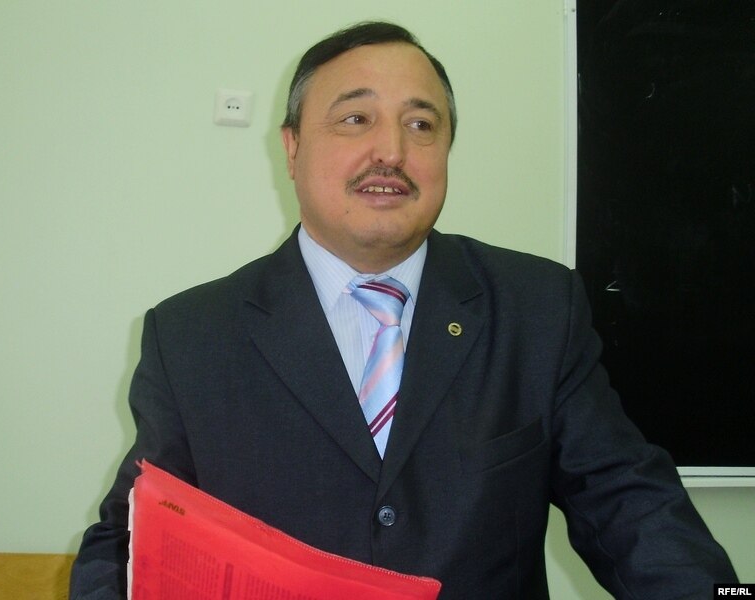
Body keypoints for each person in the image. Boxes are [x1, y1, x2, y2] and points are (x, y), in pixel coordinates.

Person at [70, 21, 736, 599]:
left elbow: (631, 506)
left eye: (421, 124)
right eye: (355, 119)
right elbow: (130, 540)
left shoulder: (537, 308)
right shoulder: (192, 337)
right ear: (293, 148)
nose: (391, 150)